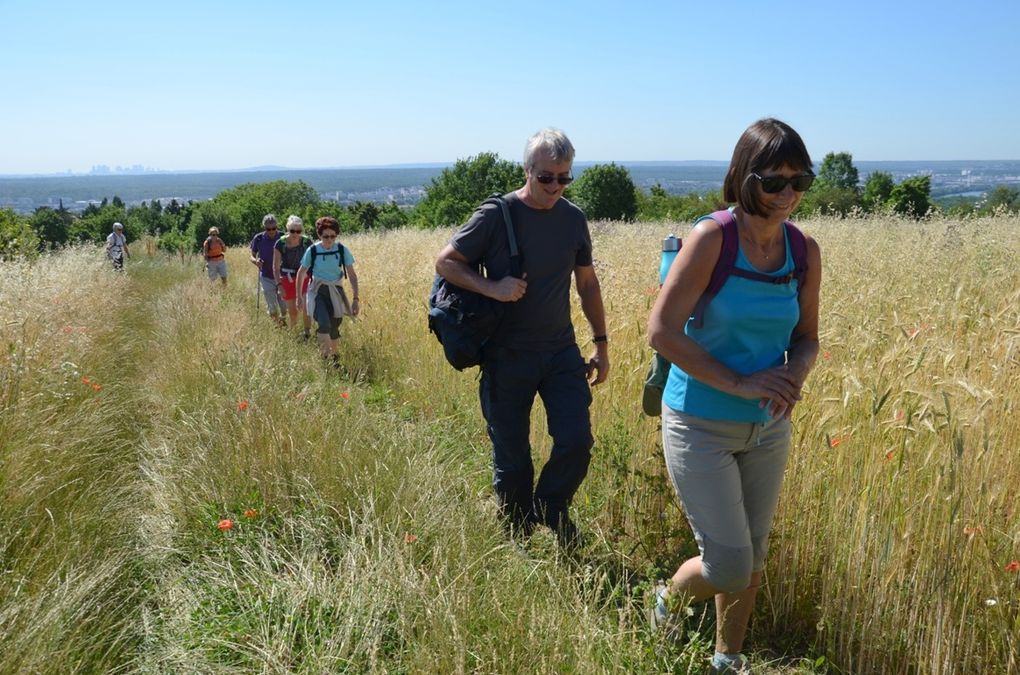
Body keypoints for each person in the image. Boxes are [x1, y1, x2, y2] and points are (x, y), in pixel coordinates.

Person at [646, 118, 821, 673]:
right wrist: (743, 383)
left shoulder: (804, 250)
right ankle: (666, 602)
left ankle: (728, 659)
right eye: (776, 181)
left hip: (768, 427)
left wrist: (797, 373)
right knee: (728, 564)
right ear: (745, 180)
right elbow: (663, 332)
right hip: (699, 422)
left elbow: (808, 339)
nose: (789, 194)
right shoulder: (712, 239)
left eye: (801, 181)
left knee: (754, 554)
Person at [433, 128, 609, 548]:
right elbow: (446, 263)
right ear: (527, 170)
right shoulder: (497, 215)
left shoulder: (573, 219)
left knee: (576, 442)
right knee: (512, 459)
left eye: (564, 178)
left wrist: (601, 343)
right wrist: (492, 288)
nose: (555, 187)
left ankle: (550, 508)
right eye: (546, 177)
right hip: (507, 356)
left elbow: (587, 284)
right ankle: (517, 535)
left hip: (561, 353)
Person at [295, 216, 360, 365]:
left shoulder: (342, 250)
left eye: (332, 236)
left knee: (335, 325)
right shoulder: (313, 251)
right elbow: (301, 272)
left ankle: (335, 359)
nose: (329, 239)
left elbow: (352, 275)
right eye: (326, 236)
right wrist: (299, 297)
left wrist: (356, 300)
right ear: (319, 235)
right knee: (324, 323)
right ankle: (325, 360)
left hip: (336, 291)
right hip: (317, 291)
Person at [274, 215, 314, 340]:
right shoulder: (280, 243)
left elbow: (314, 261)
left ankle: (307, 334)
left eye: (298, 231)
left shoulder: (307, 242)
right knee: (293, 311)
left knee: (307, 308)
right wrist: (279, 285)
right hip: (287, 279)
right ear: (287, 229)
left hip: (305, 278)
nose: (295, 234)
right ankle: (294, 335)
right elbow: (275, 267)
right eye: (292, 231)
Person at [250, 214, 285, 326]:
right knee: (272, 307)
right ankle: (278, 325)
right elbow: (252, 255)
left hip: (281, 276)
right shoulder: (259, 238)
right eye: (268, 229)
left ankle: (282, 321)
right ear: (264, 227)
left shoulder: (283, 237)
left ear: (277, 226)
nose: (271, 231)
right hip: (266, 276)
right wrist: (256, 261)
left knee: (284, 307)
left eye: (273, 228)